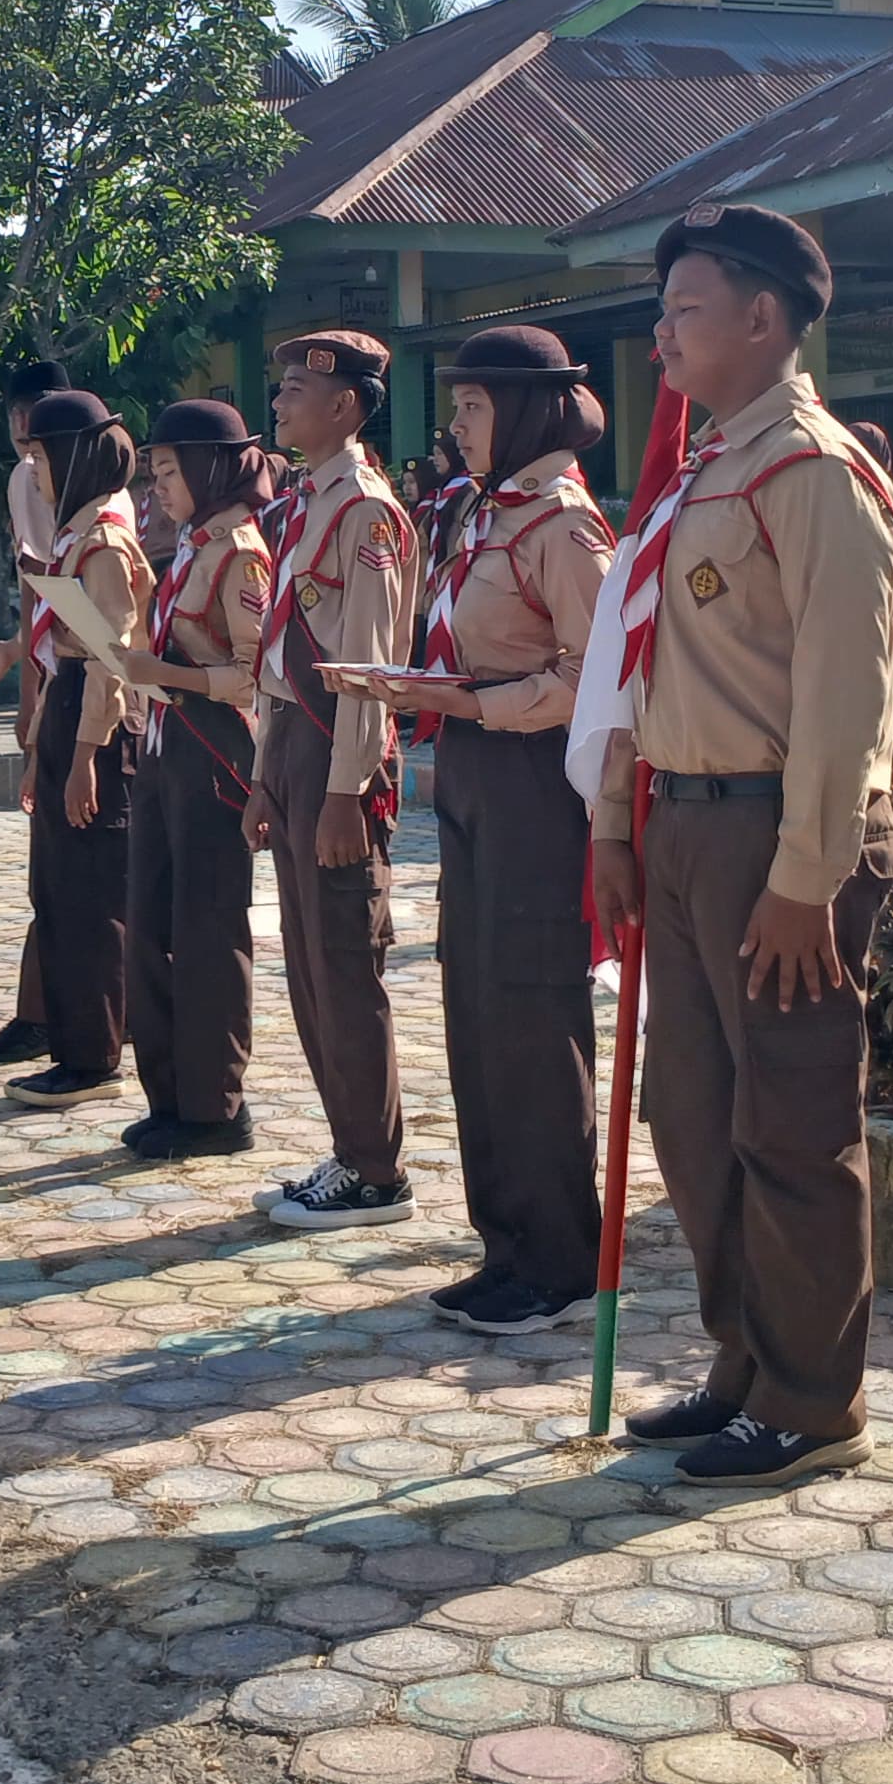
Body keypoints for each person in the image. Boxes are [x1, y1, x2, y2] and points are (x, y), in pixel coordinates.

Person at [589, 202, 893, 1484]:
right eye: (662, 313)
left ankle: (812, 1399)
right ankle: (745, 1363)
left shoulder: (813, 472)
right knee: (697, 1117)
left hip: (779, 835)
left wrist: (804, 879)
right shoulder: (708, 470)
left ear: (764, 319)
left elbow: (849, 692)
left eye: (688, 311)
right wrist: (619, 819)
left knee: (791, 1127)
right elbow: (645, 664)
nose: (661, 336)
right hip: (687, 826)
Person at [339, 327, 612, 1336]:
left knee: (533, 1020)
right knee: (479, 1015)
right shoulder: (486, 515)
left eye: (471, 408)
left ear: (528, 410)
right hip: (471, 772)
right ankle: (504, 1244)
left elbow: (594, 683)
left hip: (536, 782)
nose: (453, 428)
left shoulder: (564, 530)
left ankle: (558, 1259)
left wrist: (468, 705)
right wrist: (423, 692)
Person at [245, 329, 420, 1230]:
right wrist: (265, 774)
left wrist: (349, 788)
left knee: (347, 960)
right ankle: (349, 1144)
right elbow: (280, 654)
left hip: (339, 754)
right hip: (295, 747)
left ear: (345, 404)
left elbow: (372, 667)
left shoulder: (365, 511)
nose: (277, 406)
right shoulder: (307, 502)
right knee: (311, 963)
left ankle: (378, 1169)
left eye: (293, 392)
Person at [121, 397, 272, 1160]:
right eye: (153, 474)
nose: (159, 490)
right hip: (163, 742)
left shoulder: (241, 550)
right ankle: (171, 1095)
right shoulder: (187, 546)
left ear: (213, 468)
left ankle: (216, 1103)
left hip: (213, 752)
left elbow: (254, 676)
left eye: (171, 472)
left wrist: (170, 674)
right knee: (150, 923)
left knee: (207, 931)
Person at [9, 387, 146, 1107]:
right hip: (64, 715)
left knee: (91, 896)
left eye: (40, 455)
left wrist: (86, 756)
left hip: (97, 725)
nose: (32, 470)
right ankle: (71, 1045)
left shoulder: (103, 541)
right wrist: (41, 749)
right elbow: (62, 658)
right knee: (57, 891)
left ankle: (94, 1056)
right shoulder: (73, 532)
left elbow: (108, 657)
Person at [0, 357, 68, 1071]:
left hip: (88, 686)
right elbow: (38, 592)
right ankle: (52, 1009)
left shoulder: (60, 477)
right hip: (63, 670)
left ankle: (59, 1014)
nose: (27, 448)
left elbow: (52, 590)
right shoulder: (36, 477)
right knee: (59, 870)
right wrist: (15, 655)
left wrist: (31, 705)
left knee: (70, 871)